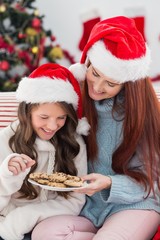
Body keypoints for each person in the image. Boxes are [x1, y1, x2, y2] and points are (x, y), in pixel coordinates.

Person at [32, 16, 160, 240]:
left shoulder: (141, 114)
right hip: (88, 208)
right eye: (95, 73)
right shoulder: (73, 97)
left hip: (134, 204)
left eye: (110, 83)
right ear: (87, 63)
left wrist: (110, 182)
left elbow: (153, 183)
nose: (97, 87)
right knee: (44, 233)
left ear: (126, 82)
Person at [0, 63, 90, 240]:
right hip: (6, 223)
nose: (52, 126)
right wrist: (7, 176)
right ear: (28, 112)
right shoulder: (7, 138)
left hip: (48, 224)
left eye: (61, 118)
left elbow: (75, 200)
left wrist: (26, 217)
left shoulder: (74, 142)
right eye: (44, 117)